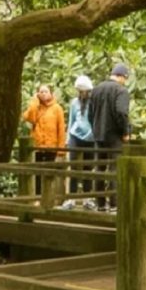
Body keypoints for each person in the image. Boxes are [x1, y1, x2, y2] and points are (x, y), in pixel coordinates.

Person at [89, 63, 131, 212]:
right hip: (114, 135)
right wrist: (125, 131)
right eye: (125, 78)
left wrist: (95, 128)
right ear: (121, 76)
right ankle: (115, 203)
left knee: (99, 168)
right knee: (115, 168)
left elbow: (90, 113)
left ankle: (100, 203)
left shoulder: (96, 89)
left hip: (99, 134)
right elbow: (121, 112)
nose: (125, 82)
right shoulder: (121, 90)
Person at [59, 75, 98, 211]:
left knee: (88, 168)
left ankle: (88, 199)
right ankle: (71, 199)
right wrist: (68, 138)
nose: (82, 94)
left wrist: (93, 135)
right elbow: (71, 119)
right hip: (76, 136)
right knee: (74, 167)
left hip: (91, 137)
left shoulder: (94, 102)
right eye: (80, 91)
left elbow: (96, 121)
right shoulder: (75, 102)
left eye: (84, 91)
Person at [22, 84, 66, 195]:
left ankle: (48, 197)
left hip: (51, 146)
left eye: (46, 91)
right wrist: (34, 101)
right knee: (37, 173)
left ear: (51, 93)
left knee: (49, 173)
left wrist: (61, 150)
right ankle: (38, 197)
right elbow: (28, 118)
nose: (43, 93)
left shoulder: (57, 108)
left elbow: (61, 129)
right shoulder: (36, 107)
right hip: (37, 146)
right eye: (41, 92)